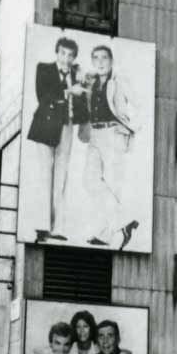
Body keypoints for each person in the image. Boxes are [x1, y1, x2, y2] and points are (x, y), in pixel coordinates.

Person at [25, 36, 88, 242]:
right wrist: (70, 89)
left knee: (61, 177)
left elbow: (81, 103)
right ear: (57, 53)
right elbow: (43, 95)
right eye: (62, 53)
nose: (66, 58)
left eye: (70, 55)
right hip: (46, 125)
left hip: (66, 126)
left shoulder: (76, 74)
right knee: (46, 174)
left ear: (74, 57)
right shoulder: (44, 69)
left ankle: (58, 227)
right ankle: (43, 226)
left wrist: (81, 83)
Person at [82, 46, 139, 250]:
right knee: (90, 181)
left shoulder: (119, 80)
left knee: (114, 183)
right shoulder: (91, 82)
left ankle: (106, 234)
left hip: (113, 133)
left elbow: (138, 105)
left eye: (104, 58)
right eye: (95, 58)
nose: (100, 62)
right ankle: (124, 221)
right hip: (95, 134)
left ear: (111, 60)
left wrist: (129, 127)